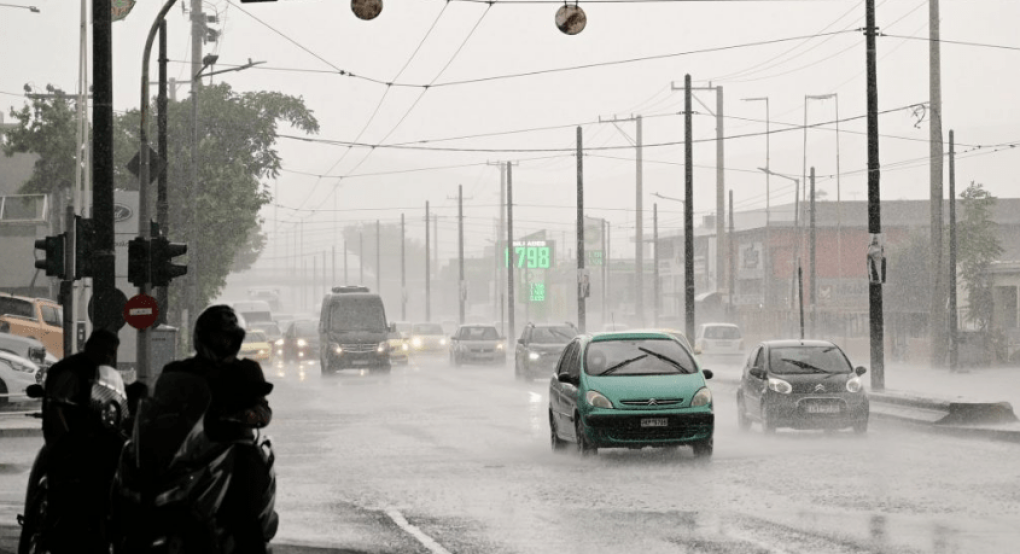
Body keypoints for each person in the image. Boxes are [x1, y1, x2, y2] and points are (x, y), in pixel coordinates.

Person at [35, 328, 123, 554]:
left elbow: (115, 403)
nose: (108, 356)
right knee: (65, 491)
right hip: (71, 444)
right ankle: (53, 535)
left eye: (111, 353)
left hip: (97, 441)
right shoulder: (70, 371)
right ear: (91, 347)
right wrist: (66, 442)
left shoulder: (105, 374)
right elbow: (56, 408)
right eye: (104, 351)